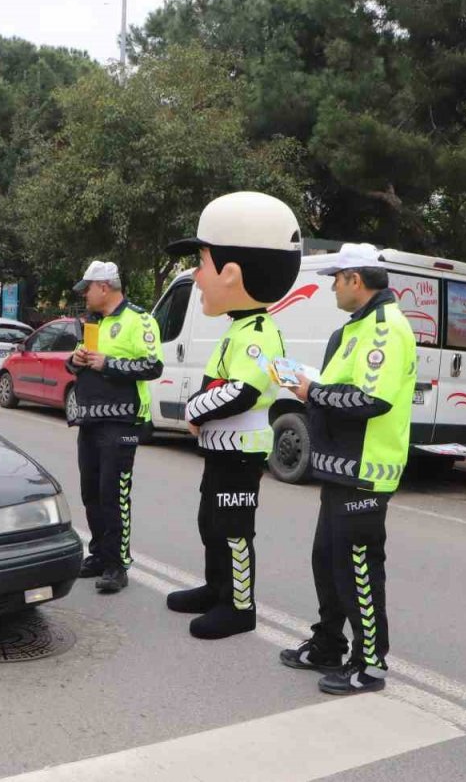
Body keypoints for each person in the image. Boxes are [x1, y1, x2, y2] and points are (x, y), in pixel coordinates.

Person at [162, 192, 302, 639]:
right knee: (211, 522)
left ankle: (240, 605)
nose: (196, 277)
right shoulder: (238, 330)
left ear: (232, 273)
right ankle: (216, 587)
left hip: (242, 449)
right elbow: (218, 381)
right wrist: (202, 406)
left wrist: (195, 409)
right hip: (221, 448)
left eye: (201, 263)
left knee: (235, 528)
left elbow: (245, 390)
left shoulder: (260, 332)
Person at [279, 243, 416, 695]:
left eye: (336, 279)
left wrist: (311, 394)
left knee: (357, 569)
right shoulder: (358, 326)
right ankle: (328, 644)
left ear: (356, 280)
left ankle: (370, 665)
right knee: (328, 562)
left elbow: (372, 400)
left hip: (366, 471)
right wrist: (312, 385)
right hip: (340, 466)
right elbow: (345, 386)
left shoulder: (385, 330)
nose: (332, 287)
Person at [66, 261, 164, 593]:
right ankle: (98, 554)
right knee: (90, 492)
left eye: (88, 288)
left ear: (104, 287)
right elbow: (79, 363)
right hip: (89, 419)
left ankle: (117, 565)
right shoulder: (95, 322)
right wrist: (76, 360)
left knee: (114, 494)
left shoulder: (139, 320)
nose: (85, 295)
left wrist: (108, 363)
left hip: (121, 421)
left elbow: (153, 365)